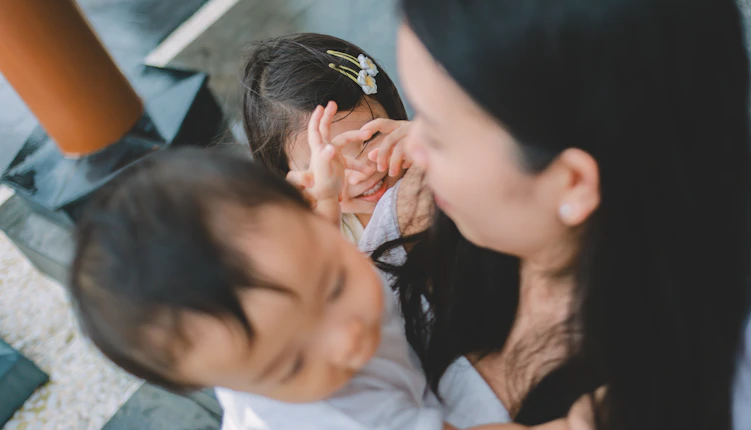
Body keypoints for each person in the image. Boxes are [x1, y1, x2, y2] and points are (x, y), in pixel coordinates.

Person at [359, 0, 751, 429]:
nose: (410, 151)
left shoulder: (720, 379)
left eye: (440, 133)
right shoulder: (410, 216)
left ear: (572, 183)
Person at [69, 144, 596, 430]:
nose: (346, 341)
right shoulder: (332, 416)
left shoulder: (275, 295)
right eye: (292, 364)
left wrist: (325, 198)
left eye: (333, 285)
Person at [241, 33, 413, 244]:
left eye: (371, 136)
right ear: (287, 176)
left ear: (391, 112)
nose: (363, 172)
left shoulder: (431, 160)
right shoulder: (319, 241)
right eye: (330, 161)